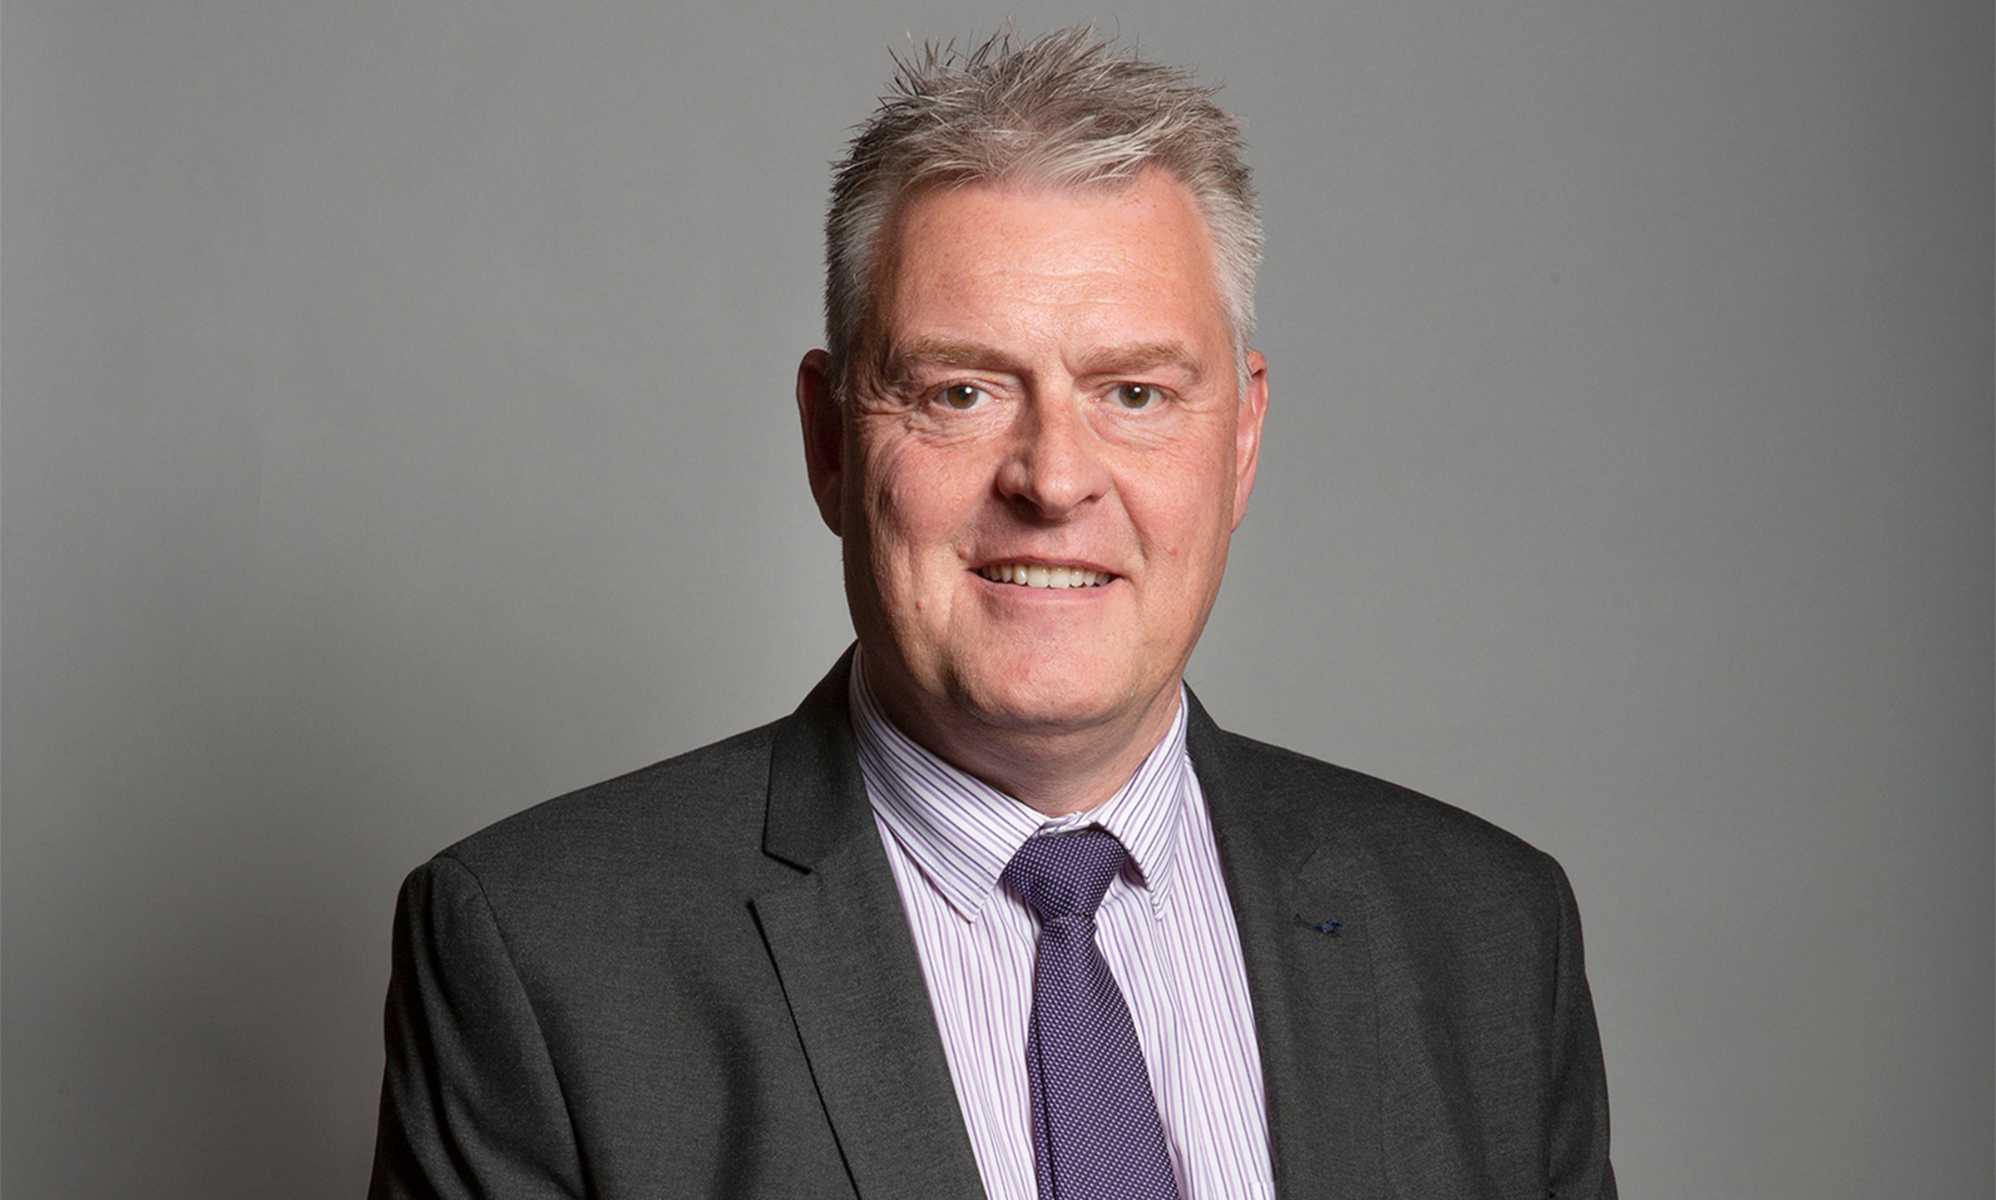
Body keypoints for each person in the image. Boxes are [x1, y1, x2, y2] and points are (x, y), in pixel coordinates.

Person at [367, 27, 1616, 1200]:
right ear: (827, 442)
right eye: (961, 392)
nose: (1053, 479)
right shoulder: (545, 955)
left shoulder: (1490, 939)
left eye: (1133, 392)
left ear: (1239, 441)